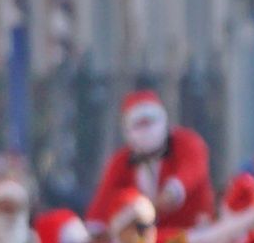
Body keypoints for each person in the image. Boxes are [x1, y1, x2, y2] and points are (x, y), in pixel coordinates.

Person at [91, 89, 217, 233]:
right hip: (145, 241)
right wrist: (97, 230)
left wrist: (146, 208)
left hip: (193, 233)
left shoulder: (188, 143)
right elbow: (101, 205)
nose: (146, 131)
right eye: (139, 125)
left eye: (150, 122)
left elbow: (188, 177)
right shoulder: (121, 161)